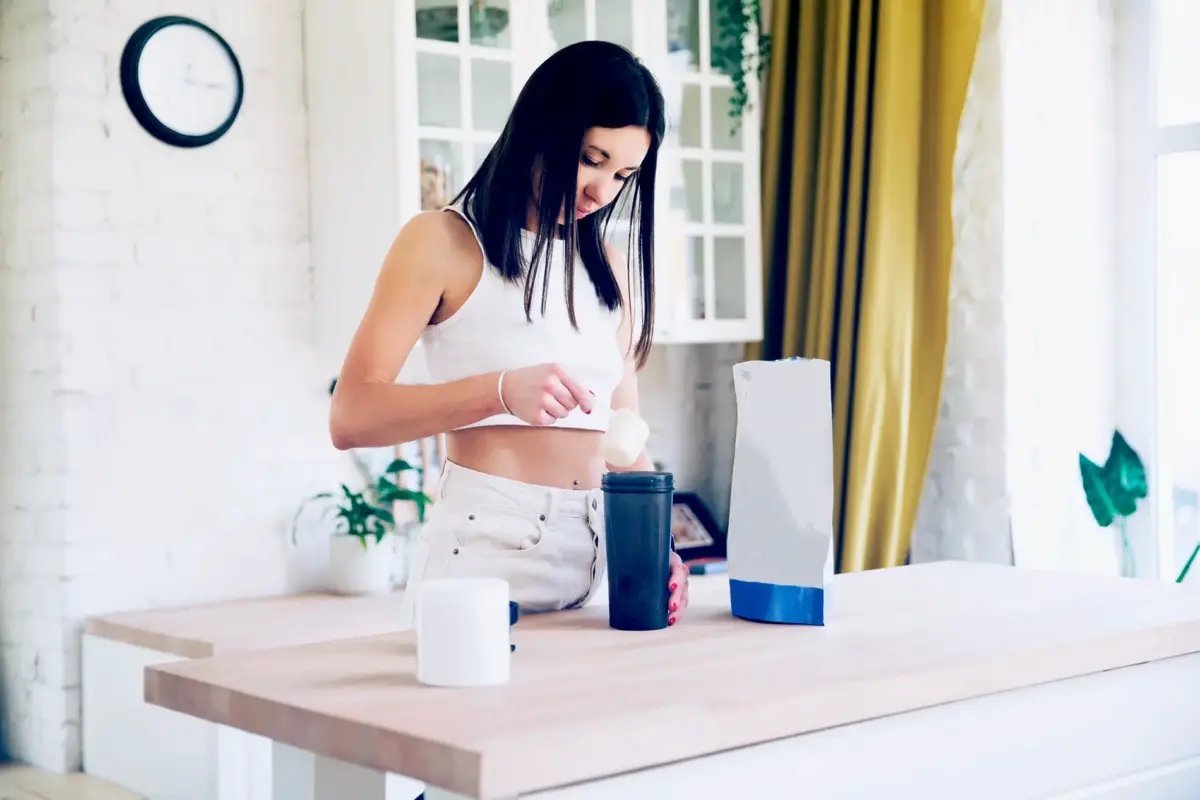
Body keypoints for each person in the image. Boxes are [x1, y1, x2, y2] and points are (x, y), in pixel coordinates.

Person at [329, 41, 690, 628]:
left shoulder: (609, 266)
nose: (603, 191)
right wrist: (497, 392)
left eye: (624, 174)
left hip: (604, 568)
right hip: (486, 564)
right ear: (542, 129)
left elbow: (624, 436)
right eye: (591, 159)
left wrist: (659, 549)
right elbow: (351, 415)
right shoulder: (442, 242)